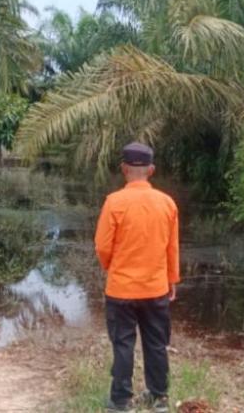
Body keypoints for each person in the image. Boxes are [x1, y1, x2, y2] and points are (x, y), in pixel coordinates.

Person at [94, 142, 180, 413]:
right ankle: (159, 398)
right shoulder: (167, 203)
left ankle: (120, 401)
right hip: (155, 289)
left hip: (121, 289)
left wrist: (114, 268)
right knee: (156, 344)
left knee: (123, 344)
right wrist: (171, 279)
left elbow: (102, 246)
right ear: (151, 170)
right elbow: (172, 246)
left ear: (123, 169)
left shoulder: (114, 202)